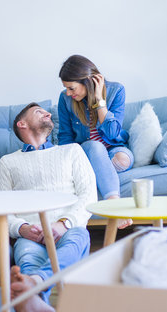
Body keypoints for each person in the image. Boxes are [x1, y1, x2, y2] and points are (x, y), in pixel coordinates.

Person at [0, 102, 97, 312]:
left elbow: (89, 196)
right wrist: (22, 229)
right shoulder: (7, 162)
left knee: (78, 238)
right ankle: (35, 298)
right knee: (28, 257)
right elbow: (1, 209)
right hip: (30, 234)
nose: (48, 113)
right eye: (39, 112)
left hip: (69, 229)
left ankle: (33, 284)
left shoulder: (72, 151)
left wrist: (62, 224)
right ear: (22, 124)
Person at [58, 55, 133, 204]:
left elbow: (113, 133)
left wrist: (99, 101)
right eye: (66, 88)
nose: (68, 93)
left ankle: (96, 169)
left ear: (87, 82)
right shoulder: (65, 99)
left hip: (114, 147)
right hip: (86, 151)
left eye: (71, 88)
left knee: (123, 160)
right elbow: (65, 136)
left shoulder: (116, 90)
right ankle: (113, 204)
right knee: (95, 146)